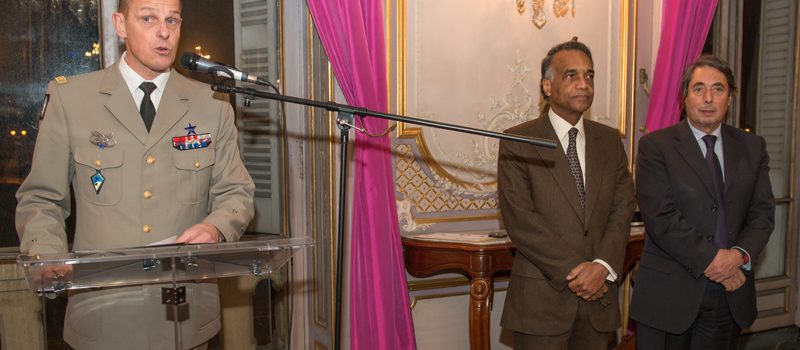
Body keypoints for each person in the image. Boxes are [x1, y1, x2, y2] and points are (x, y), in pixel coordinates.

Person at [15, 0, 255, 348]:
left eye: (172, 20)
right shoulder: (72, 99)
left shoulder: (212, 104)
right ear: (120, 25)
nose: (164, 31)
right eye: (148, 18)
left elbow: (236, 192)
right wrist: (48, 253)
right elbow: (41, 197)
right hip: (103, 315)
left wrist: (215, 227)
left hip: (185, 316)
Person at [497, 38, 636, 349]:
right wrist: (577, 273)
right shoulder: (518, 139)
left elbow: (623, 208)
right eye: (571, 75)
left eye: (589, 75)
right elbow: (520, 219)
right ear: (548, 86)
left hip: (599, 301)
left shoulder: (609, 140)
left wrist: (602, 267)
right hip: (542, 304)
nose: (583, 84)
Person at [630, 55, 774, 349]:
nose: (708, 98)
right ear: (684, 97)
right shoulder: (656, 146)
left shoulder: (752, 147)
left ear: (730, 98)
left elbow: (762, 215)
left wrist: (739, 257)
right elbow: (662, 218)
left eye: (718, 89)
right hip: (669, 296)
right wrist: (716, 261)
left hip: (729, 294)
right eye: (698, 89)